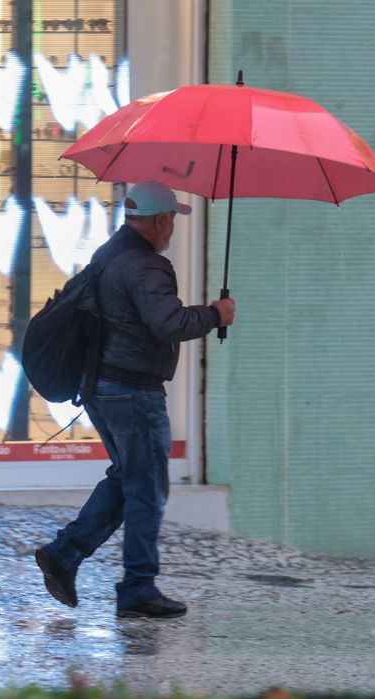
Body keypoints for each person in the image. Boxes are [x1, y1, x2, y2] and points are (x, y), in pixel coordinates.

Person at [34, 181, 235, 619]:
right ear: (161, 221)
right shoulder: (147, 265)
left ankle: (64, 554)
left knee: (129, 478)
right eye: (172, 221)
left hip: (102, 386)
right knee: (146, 489)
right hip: (132, 391)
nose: (173, 230)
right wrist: (214, 315)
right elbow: (167, 322)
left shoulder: (110, 254)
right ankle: (137, 588)